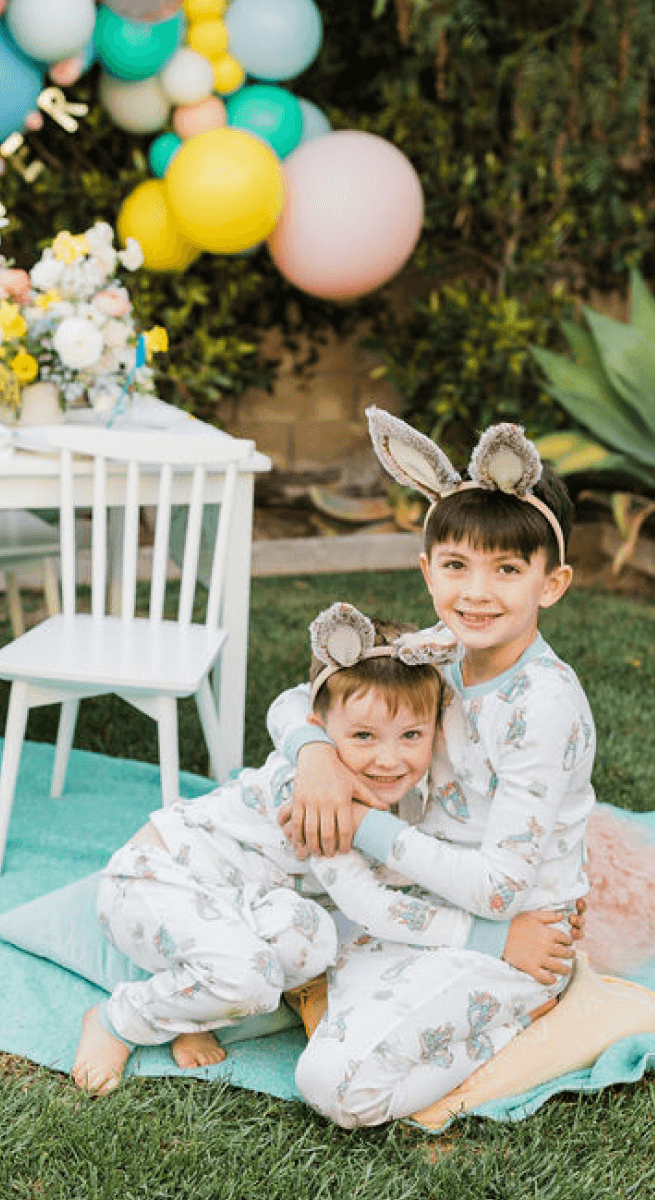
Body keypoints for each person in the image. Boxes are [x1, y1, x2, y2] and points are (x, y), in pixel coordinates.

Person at [70, 603, 578, 1097]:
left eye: (411, 736)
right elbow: (371, 907)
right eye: (362, 735)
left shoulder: (393, 788)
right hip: (156, 879)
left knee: (312, 943)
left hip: (243, 901)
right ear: (320, 726)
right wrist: (494, 940)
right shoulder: (319, 798)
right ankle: (119, 1020)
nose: (388, 758)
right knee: (246, 977)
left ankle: (193, 1007)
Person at [271, 410, 595, 1127]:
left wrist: (360, 824)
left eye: (507, 569)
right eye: (457, 565)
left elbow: (503, 886)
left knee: (332, 1083)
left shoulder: (543, 705)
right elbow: (300, 698)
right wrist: (314, 752)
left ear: (551, 583)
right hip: (422, 897)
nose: (476, 592)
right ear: (428, 569)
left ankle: (517, 1025)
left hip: (515, 937)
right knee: (276, 904)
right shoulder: (437, 648)